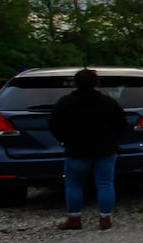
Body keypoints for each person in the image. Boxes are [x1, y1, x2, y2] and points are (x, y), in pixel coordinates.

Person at [49, 68, 130, 230]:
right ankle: (105, 218)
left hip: (76, 151)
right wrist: (113, 140)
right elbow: (122, 124)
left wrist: (63, 139)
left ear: (75, 83)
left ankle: (75, 218)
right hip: (105, 151)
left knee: (73, 184)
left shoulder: (66, 102)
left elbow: (53, 125)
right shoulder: (108, 103)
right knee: (105, 183)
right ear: (96, 83)